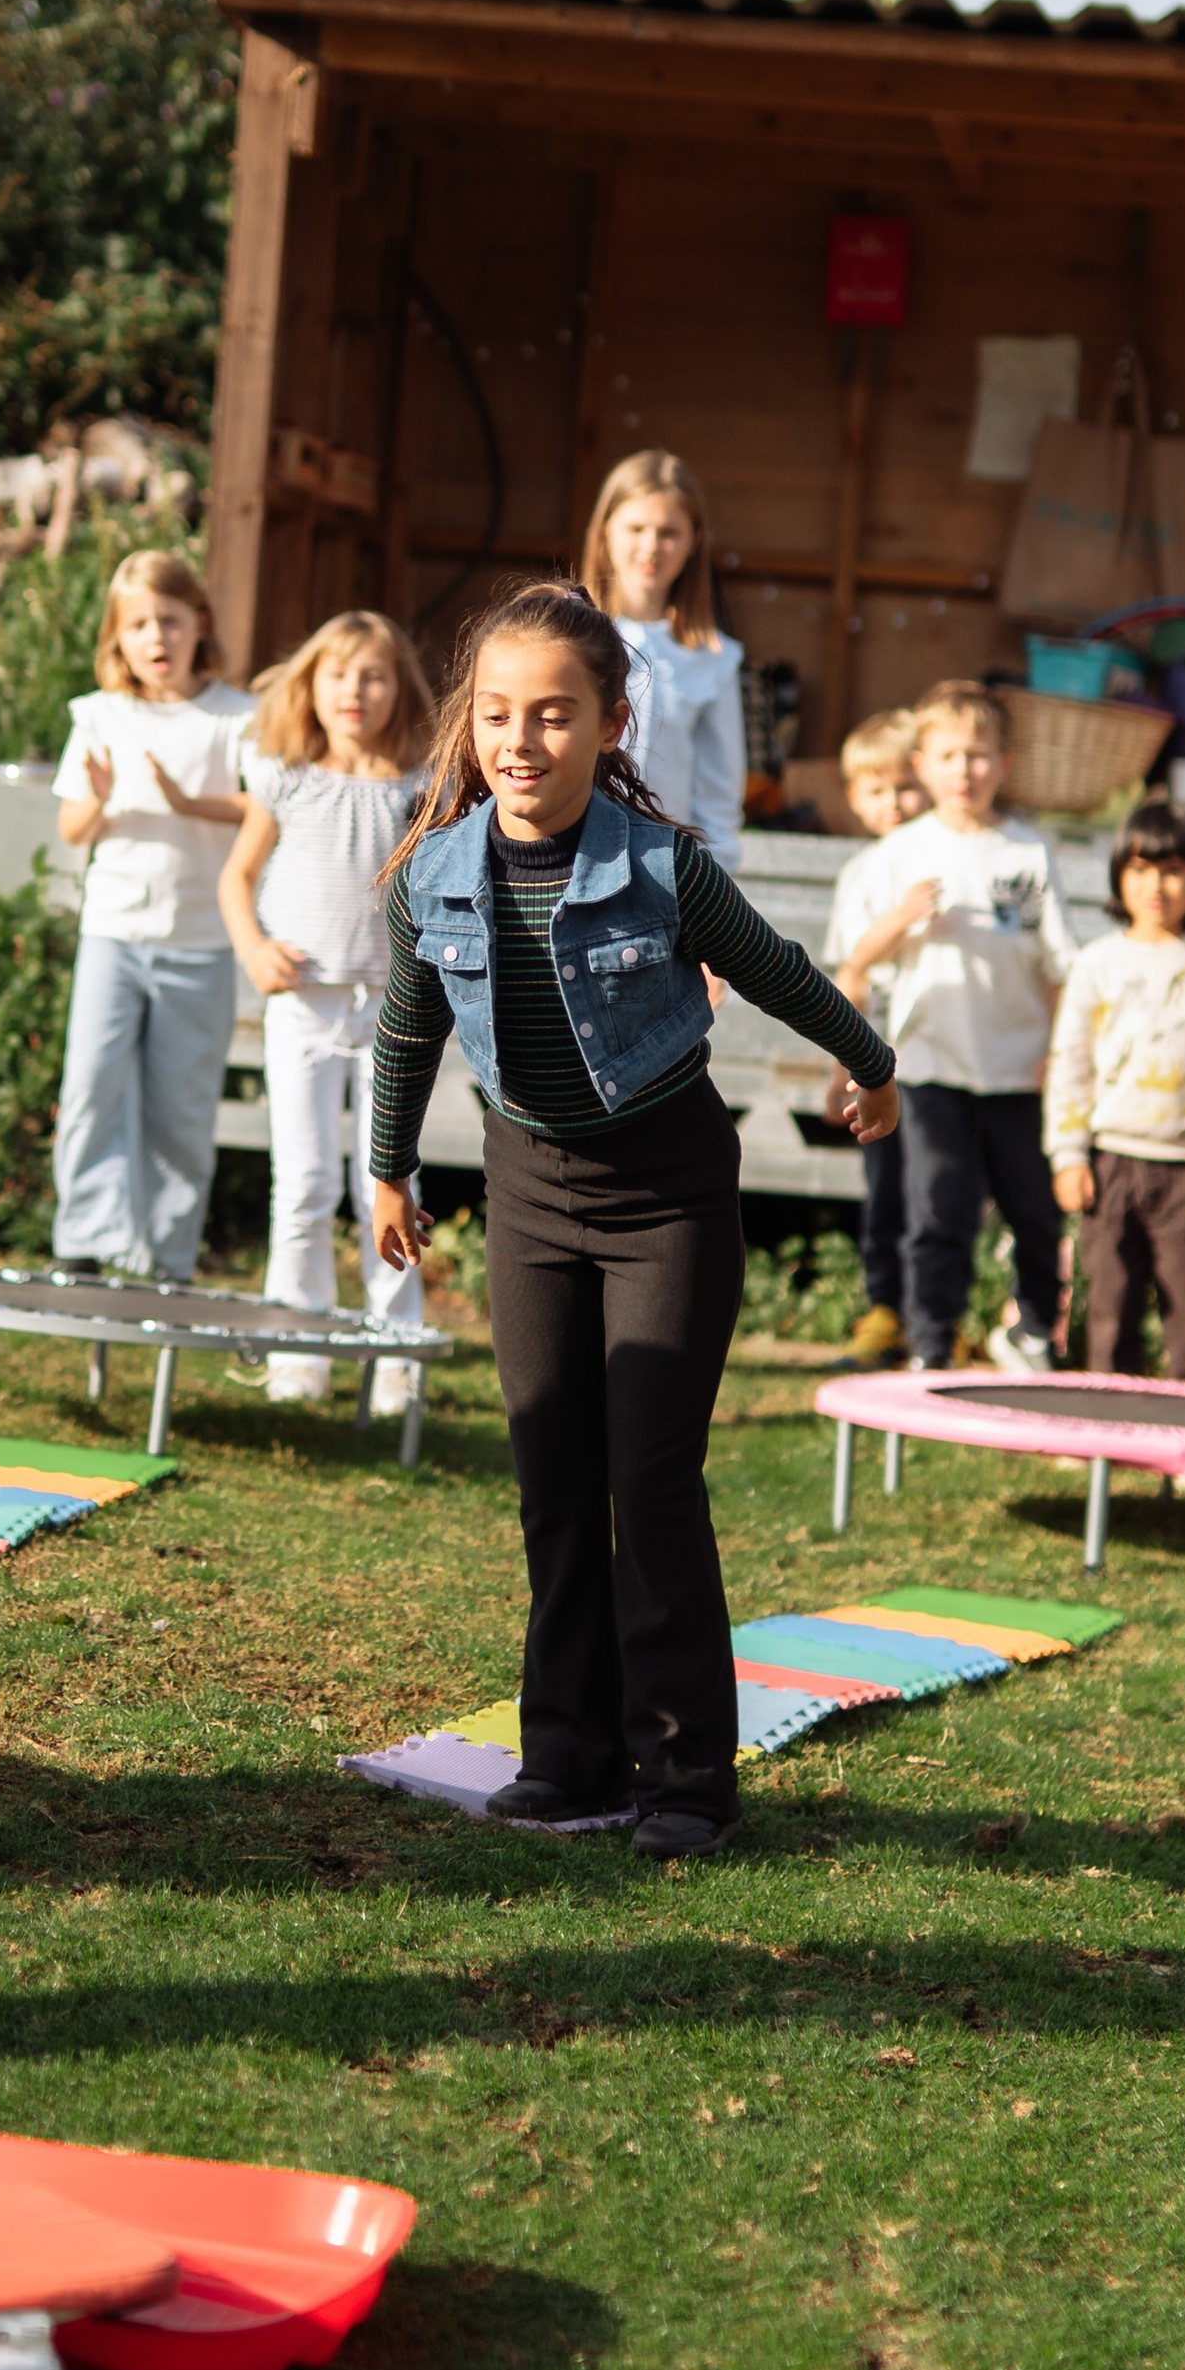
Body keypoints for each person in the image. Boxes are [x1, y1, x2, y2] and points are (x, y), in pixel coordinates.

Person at [370, 581, 895, 1864]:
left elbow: (771, 967)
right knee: (555, 1479)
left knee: (647, 1482)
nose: (520, 741)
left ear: (610, 723)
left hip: (665, 1194)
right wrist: (389, 1174)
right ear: (470, 725)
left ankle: (687, 1782)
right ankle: (568, 1755)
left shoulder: (661, 868)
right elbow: (405, 1030)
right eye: (497, 714)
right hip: (527, 1197)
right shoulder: (429, 875)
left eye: (553, 716)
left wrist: (870, 1064)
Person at [218, 608, 435, 1405]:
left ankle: (395, 1360)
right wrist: (254, 949)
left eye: (374, 675)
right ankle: (296, 1354)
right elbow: (237, 878)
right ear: (311, 683)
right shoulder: (287, 775)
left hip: (392, 1014)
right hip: (304, 1007)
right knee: (304, 1181)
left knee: (389, 1183)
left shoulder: (420, 787)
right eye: (340, 674)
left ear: (397, 689)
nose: (356, 690)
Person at [831, 678, 1078, 1377]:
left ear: (1004, 761)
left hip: (1018, 1067)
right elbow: (853, 965)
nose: (964, 770)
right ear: (922, 764)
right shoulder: (897, 855)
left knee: (1034, 1212)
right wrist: (901, 921)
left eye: (978, 754)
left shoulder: (1029, 853)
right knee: (937, 1215)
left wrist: (1058, 1057)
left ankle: (1034, 1336)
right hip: (928, 1065)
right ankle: (930, 1344)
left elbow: (1062, 967)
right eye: (948, 755)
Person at [50, 548, 254, 1280]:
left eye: (168, 620)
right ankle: (85, 1242)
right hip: (113, 932)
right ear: (118, 639)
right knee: (90, 1088)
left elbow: (263, 808)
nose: (155, 639)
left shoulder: (238, 716)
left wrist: (187, 804)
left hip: (199, 940)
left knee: (183, 1107)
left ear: (199, 623)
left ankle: (169, 1257)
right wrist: (100, 796)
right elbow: (74, 827)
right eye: (137, 625)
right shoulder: (100, 715)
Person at [1045, 795, 1185, 1382]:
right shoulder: (1097, 963)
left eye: (1173, 871)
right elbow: (1069, 1062)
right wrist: (1068, 1154)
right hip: (1112, 1161)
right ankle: (1108, 1435)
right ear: (1119, 875)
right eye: (1141, 869)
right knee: (1111, 1306)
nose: (1157, 886)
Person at [578, 447, 747, 864]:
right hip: (568, 860)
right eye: (635, 528)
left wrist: (710, 888)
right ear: (605, 531)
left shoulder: (713, 658)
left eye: (669, 532)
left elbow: (719, 798)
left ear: (693, 542)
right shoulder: (566, 638)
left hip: (660, 873)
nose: (651, 546)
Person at [822, 706, 925, 1369]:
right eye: (877, 790)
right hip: (881, 1055)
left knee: (942, 1195)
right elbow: (848, 981)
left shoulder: (948, 858)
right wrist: (841, 1070)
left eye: (906, 785)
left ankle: (937, 1314)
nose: (894, 802)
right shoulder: (862, 875)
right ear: (855, 799)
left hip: (953, 1057)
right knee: (886, 1188)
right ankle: (886, 1311)